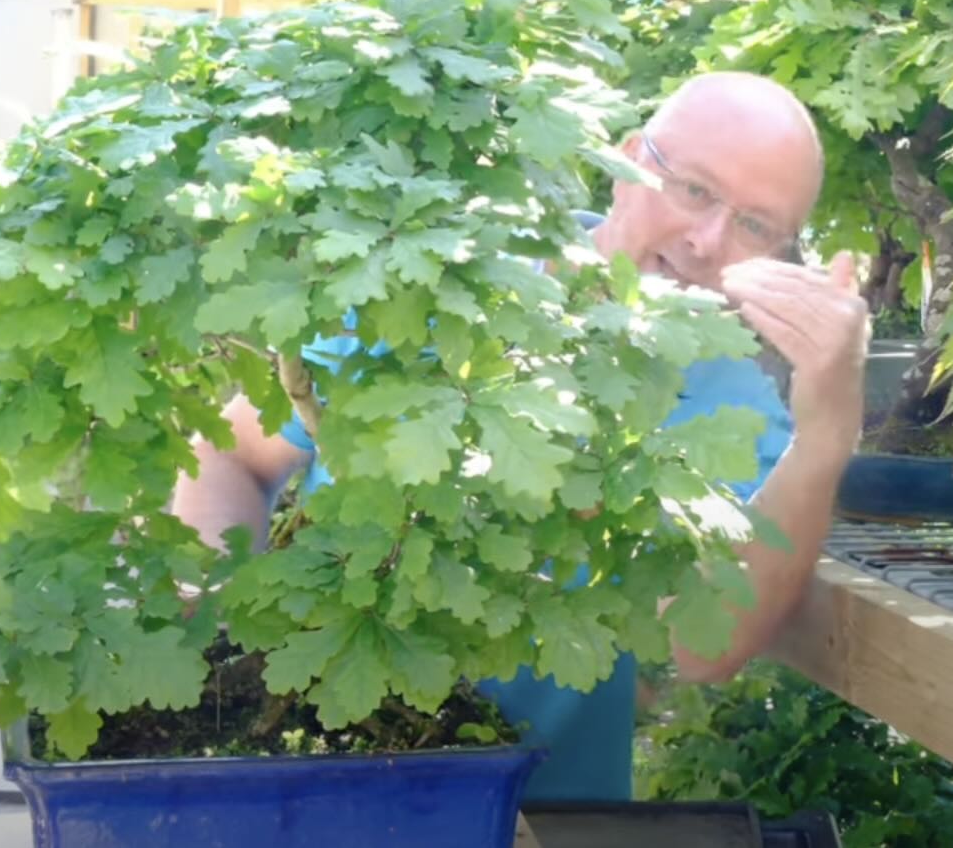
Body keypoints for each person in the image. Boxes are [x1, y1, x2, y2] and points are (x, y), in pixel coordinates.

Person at [171, 70, 868, 800]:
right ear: (629, 160)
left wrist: (827, 434)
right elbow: (230, 453)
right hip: (298, 783)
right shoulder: (435, 284)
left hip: (536, 815)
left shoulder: (737, 412)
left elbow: (700, 647)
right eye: (694, 190)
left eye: (755, 226)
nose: (707, 240)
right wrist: (216, 612)